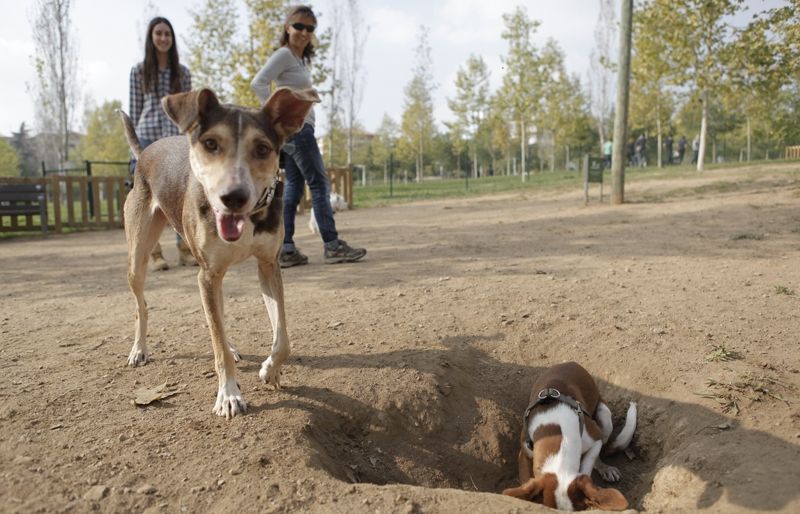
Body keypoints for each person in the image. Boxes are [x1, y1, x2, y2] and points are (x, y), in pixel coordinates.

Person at [251, 5, 366, 267]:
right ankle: (332, 245)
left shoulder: (298, 59)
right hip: (297, 132)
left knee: (292, 189)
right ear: (287, 27)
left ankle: (286, 248)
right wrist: (273, 115)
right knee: (319, 183)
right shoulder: (284, 55)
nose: (304, 32)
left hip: (300, 129)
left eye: (310, 28)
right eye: (299, 26)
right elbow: (258, 82)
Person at [129, 16, 195, 270]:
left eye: (167, 34)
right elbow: (135, 109)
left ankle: (185, 248)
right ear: (151, 37)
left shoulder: (183, 73)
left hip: (176, 138)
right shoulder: (139, 71)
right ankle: (155, 254)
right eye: (159, 33)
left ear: (172, 38)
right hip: (147, 135)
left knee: (182, 191)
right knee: (149, 195)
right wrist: (132, 146)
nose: (163, 38)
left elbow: (188, 110)